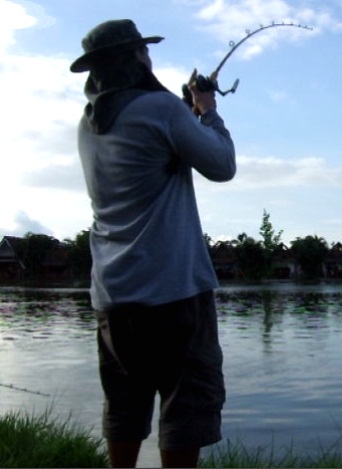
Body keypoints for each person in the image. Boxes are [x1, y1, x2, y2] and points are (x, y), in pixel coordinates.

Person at [70, 19, 236, 468]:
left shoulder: (89, 127)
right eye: (144, 52)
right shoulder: (162, 109)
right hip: (173, 290)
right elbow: (221, 165)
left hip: (113, 295)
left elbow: (152, 152)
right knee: (186, 407)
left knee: (124, 405)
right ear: (135, 58)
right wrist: (206, 109)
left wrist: (186, 110)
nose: (150, 59)